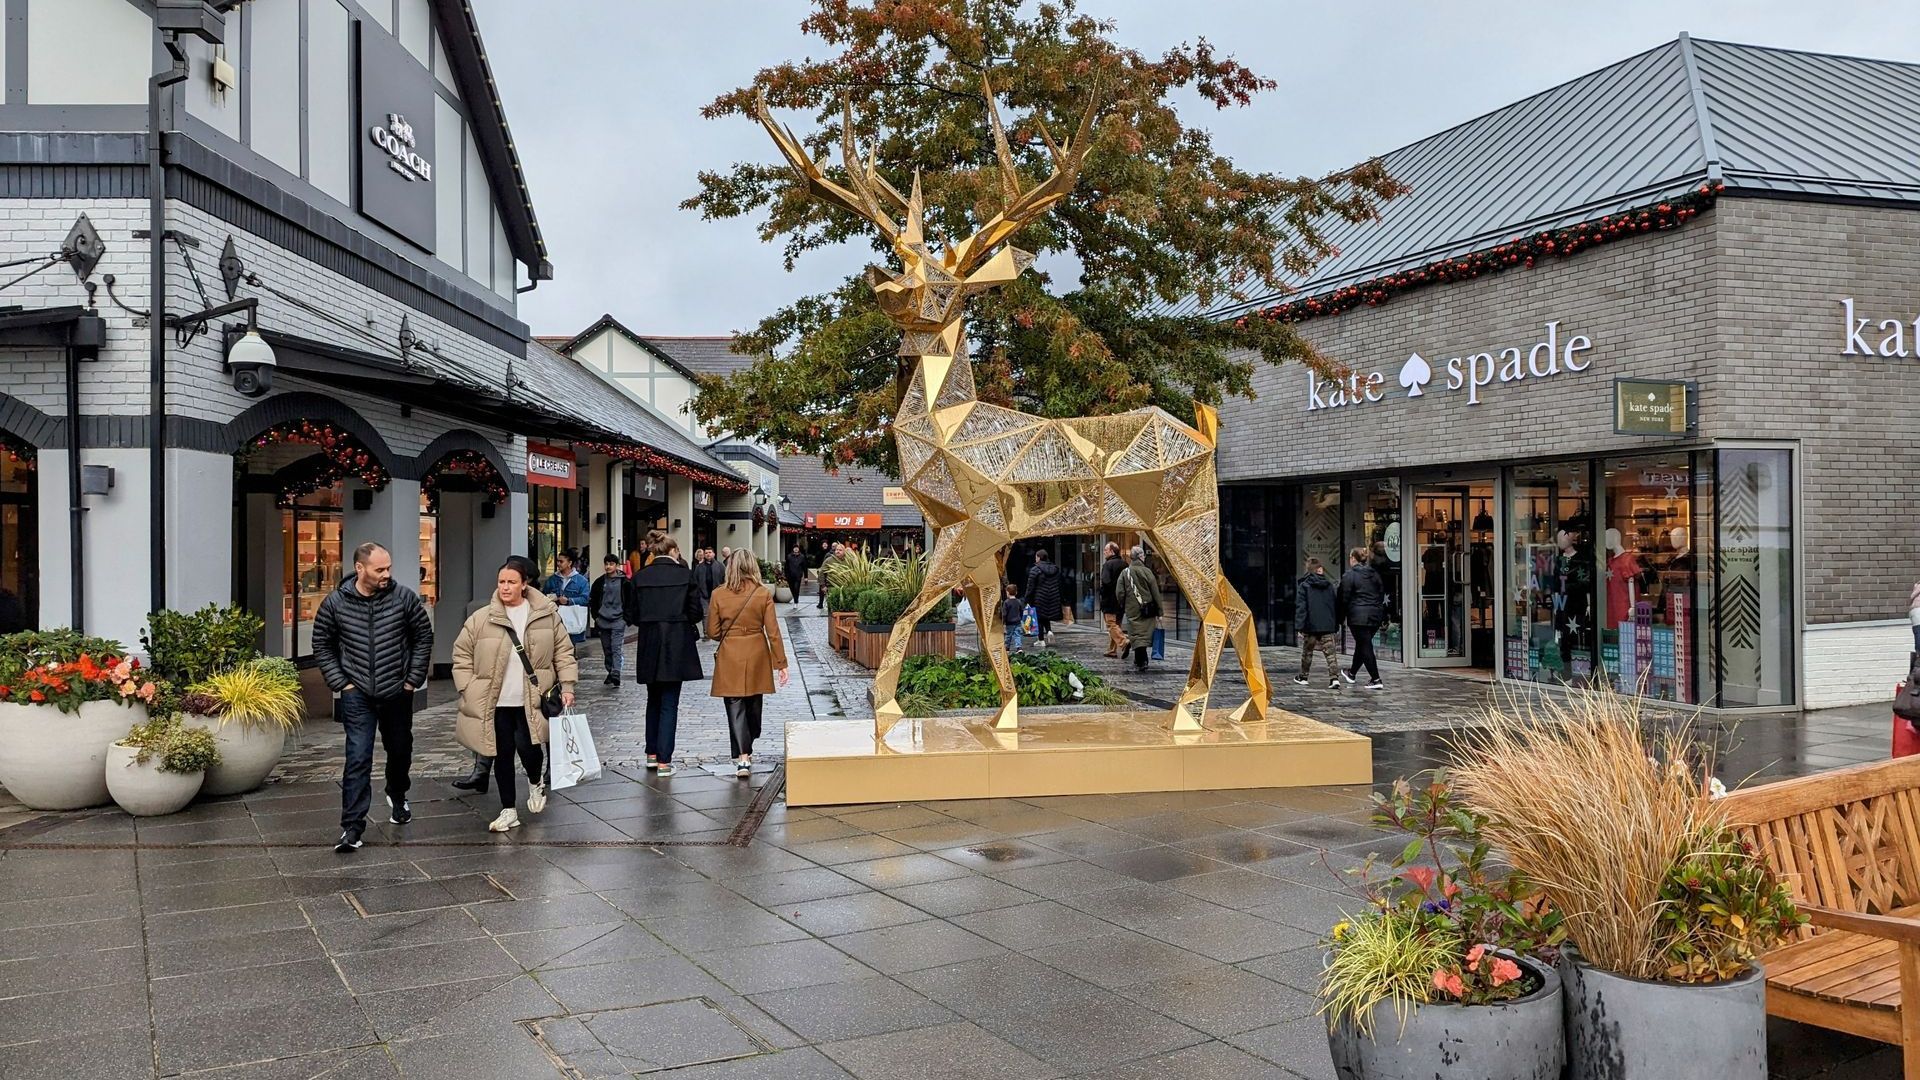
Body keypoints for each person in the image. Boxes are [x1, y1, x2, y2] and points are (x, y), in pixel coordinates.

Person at [311, 542, 433, 853]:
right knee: (358, 757)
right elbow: (322, 644)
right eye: (380, 569)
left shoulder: (403, 597)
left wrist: (412, 681)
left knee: (400, 749)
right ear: (360, 568)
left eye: (388, 568)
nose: (386, 574)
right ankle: (352, 827)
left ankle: (397, 793)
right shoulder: (335, 603)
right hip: (357, 695)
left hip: (397, 691)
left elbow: (423, 636)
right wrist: (342, 683)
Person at [452, 556, 577, 833]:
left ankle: (535, 782)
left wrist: (567, 686)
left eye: (511, 582)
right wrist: (467, 687)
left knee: (530, 749)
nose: (505, 587)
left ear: (524, 584)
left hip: (531, 698)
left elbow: (563, 652)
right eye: (501, 582)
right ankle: (508, 809)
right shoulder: (481, 618)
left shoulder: (545, 615)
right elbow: (461, 654)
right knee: (502, 754)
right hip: (495, 701)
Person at [707, 549, 790, 778]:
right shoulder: (762, 593)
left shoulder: (718, 594)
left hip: (730, 653)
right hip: (756, 652)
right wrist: (781, 663)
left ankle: (743, 756)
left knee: (734, 704)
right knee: (754, 703)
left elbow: (712, 631)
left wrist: (730, 633)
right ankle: (746, 751)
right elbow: (773, 632)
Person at [632, 534, 704, 776]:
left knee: (653, 699)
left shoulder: (640, 577)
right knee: (669, 702)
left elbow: (632, 614)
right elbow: (695, 613)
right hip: (676, 641)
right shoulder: (685, 575)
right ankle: (665, 760)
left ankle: (652, 753)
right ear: (672, 550)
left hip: (649, 642)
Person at [1338, 545, 1387, 690]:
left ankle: (1376, 679)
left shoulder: (1349, 575)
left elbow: (1343, 598)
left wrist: (1340, 618)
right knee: (1363, 644)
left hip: (1358, 616)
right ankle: (1352, 673)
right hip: (1375, 615)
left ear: (1353, 559)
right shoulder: (1374, 574)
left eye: (1350, 557)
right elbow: (1380, 594)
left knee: (1365, 646)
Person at [1292, 556, 1341, 688]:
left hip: (1311, 625)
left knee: (1307, 652)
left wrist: (1300, 627)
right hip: (1327, 625)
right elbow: (1334, 606)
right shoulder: (1329, 585)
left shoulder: (1304, 586)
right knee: (1330, 653)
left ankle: (1303, 676)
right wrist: (1335, 624)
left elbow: (1301, 608)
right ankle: (1334, 678)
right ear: (1320, 569)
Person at [589, 553, 637, 686]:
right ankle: (610, 671)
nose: (608, 566)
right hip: (603, 620)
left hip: (618, 620)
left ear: (616, 565)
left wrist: (626, 619)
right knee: (607, 648)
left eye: (611, 564)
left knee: (616, 647)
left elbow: (631, 601)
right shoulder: (599, 582)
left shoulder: (625, 582)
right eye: (606, 564)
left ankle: (616, 672)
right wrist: (596, 617)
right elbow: (593, 601)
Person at [1118, 546, 1158, 672]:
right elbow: (1155, 591)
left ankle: (1139, 659)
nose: (1144, 557)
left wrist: (1123, 604)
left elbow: (1119, 592)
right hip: (1147, 609)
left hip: (1132, 609)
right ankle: (1142, 660)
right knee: (1143, 634)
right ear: (1140, 557)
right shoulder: (1147, 572)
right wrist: (1160, 609)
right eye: (1143, 555)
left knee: (1136, 634)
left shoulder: (1125, 573)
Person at [544, 549, 590, 646]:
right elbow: (544, 596)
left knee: (570, 646)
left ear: (570, 563)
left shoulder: (581, 581)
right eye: (557, 561)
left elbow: (585, 599)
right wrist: (553, 598)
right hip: (555, 618)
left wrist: (569, 601)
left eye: (561, 561)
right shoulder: (552, 579)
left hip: (572, 619)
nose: (558, 564)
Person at [1023, 549, 1064, 647]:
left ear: (1038, 557)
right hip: (1053, 597)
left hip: (1039, 597)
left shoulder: (1035, 570)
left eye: (1036, 557)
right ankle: (1049, 631)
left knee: (1039, 618)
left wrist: (1027, 599)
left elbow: (1030, 587)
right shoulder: (1055, 569)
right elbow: (1060, 584)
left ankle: (1041, 640)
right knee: (1046, 615)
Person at [1098, 542, 1127, 659]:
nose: (1104, 552)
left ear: (1112, 551)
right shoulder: (1125, 564)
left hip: (1109, 599)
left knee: (1111, 624)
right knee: (1117, 625)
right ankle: (1112, 650)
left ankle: (1124, 641)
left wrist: (1102, 592)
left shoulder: (1108, 565)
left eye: (1106, 550)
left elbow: (1105, 582)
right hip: (1121, 599)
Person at [817, 542, 844, 610]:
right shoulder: (829, 560)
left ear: (844, 552)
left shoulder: (847, 561)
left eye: (840, 550)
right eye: (837, 550)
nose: (838, 551)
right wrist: (823, 585)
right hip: (831, 588)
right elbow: (821, 572)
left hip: (844, 588)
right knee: (832, 607)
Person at [1000, 583, 1024, 653]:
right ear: (1016, 592)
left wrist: (1003, 622)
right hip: (1017, 622)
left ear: (1007, 592)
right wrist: (1021, 618)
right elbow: (1021, 610)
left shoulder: (1006, 602)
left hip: (1009, 622)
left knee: (1008, 635)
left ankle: (1007, 648)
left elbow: (1004, 614)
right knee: (1017, 635)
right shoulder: (1018, 601)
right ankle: (1019, 648)